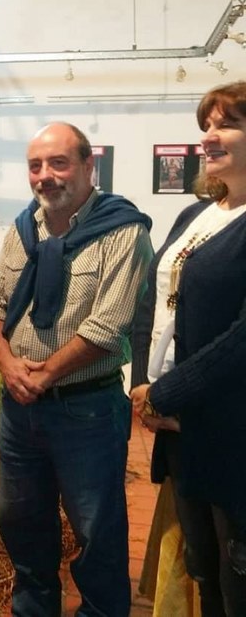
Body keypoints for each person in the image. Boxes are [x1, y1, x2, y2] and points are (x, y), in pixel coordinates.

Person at [0, 122, 152, 616]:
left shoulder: (123, 230)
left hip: (87, 412)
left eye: (58, 163)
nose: (45, 176)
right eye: (35, 165)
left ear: (88, 165)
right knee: (21, 523)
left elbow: (109, 325)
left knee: (97, 533)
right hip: (20, 410)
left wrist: (45, 373)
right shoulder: (24, 228)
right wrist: (8, 365)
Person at [131, 81, 246, 616]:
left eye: (226, 124)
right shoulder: (195, 214)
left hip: (230, 428)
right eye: (206, 125)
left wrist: (167, 394)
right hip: (179, 425)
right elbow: (151, 300)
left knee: (237, 569)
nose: (209, 136)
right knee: (202, 567)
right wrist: (140, 383)